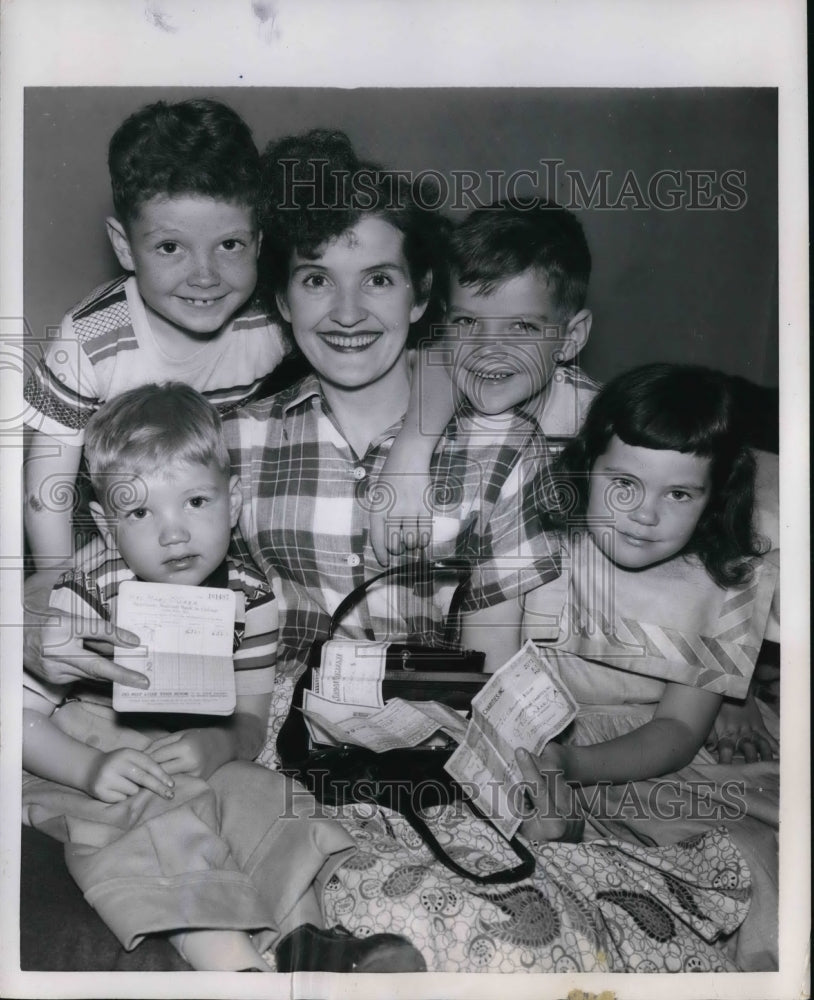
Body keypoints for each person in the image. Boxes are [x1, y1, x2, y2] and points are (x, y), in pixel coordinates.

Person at [22, 383, 426, 973]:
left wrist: (222, 743)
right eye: (140, 511)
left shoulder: (251, 600)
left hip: (193, 758)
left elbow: (251, 718)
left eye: (195, 502)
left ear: (232, 501)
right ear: (108, 529)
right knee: (163, 826)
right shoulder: (81, 600)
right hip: (80, 763)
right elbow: (19, 720)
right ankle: (233, 968)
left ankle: (312, 947)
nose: (174, 533)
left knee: (269, 797)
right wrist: (89, 768)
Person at [224, 129, 561, 695]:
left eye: (378, 279)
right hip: (278, 730)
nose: (348, 313)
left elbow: (493, 669)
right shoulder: (235, 439)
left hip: (433, 742)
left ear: (421, 294)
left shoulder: (505, 446)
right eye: (316, 280)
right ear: (282, 299)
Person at [516, 363, 780, 969]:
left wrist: (576, 765)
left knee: (746, 856)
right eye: (624, 484)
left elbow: (680, 732)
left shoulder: (725, 581)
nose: (645, 514)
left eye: (680, 494)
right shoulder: (543, 542)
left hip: (652, 757)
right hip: (533, 738)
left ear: (716, 496)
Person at [368, 198, 600, 565]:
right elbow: (436, 356)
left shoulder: (603, 425)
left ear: (571, 337)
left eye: (522, 327)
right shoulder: (443, 399)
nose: (488, 350)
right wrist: (409, 454)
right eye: (467, 322)